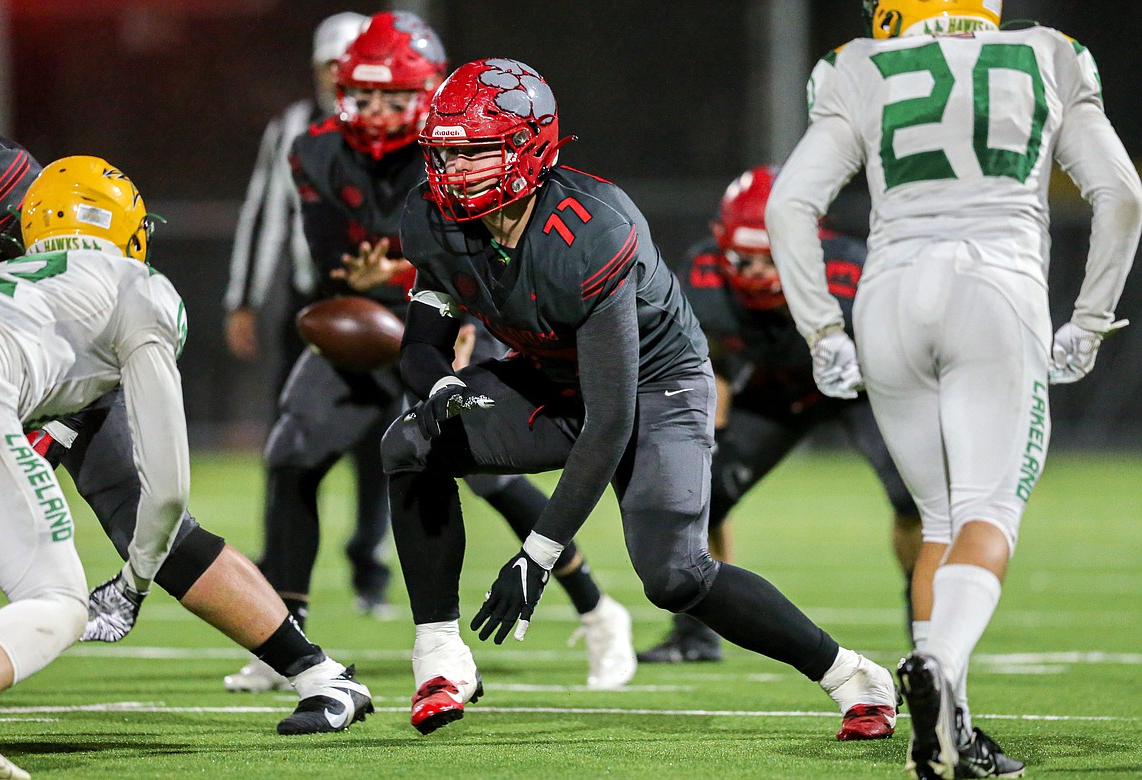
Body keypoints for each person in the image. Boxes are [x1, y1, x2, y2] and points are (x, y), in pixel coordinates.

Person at [381, 56, 899, 739]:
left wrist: (537, 556)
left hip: (656, 390)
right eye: (444, 153)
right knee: (411, 443)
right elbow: (422, 339)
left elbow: (611, 418)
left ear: (527, 147)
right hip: (551, 376)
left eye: (472, 151)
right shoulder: (432, 216)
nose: (452, 171)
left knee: (675, 575)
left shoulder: (590, 229)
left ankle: (855, 677)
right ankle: (440, 657)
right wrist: (440, 383)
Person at [765, 2, 1142, 777]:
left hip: (888, 296)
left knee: (940, 518)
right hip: (994, 293)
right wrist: (1091, 318)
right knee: (988, 512)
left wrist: (822, 331)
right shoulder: (1049, 53)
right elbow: (1123, 195)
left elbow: (788, 205)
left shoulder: (857, 63)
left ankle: (951, 731)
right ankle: (935, 663)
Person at [232, 12, 636, 696]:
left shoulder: (456, 144)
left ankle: (597, 608)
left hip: (460, 313)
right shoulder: (316, 149)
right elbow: (339, 264)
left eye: (397, 96)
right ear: (340, 88)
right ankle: (286, 639)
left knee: (488, 473)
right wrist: (386, 283)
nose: (380, 110)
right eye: (365, 92)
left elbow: (476, 255)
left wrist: (461, 311)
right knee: (293, 453)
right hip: (364, 323)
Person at [0, 140, 375, 739]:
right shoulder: (139, 286)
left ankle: (317, 673)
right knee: (77, 572)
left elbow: (160, 496)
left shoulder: (4, 186)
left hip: (45, 353)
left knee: (134, 515)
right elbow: (171, 483)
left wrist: (55, 427)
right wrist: (131, 585)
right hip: (9, 366)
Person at [639, 165, 920, 665]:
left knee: (912, 496)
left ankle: (926, 622)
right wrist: (706, 437)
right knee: (704, 488)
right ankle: (696, 631)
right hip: (777, 389)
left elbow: (911, 357)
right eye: (741, 260)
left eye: (766, 259)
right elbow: (712, 360)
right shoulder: (703, 272)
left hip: (867, 387)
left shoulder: (853, 271)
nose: (754, 273)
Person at [220, 11, 400, 636]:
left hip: (406, 304)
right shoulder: (298, 129)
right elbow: (265, 213)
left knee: (398, 447)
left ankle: (371, 565)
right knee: (292, 447)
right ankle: (282, 595)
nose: (346, 79)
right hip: (320, 304)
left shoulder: (415, 127)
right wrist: (243, 298)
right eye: (333, 67)